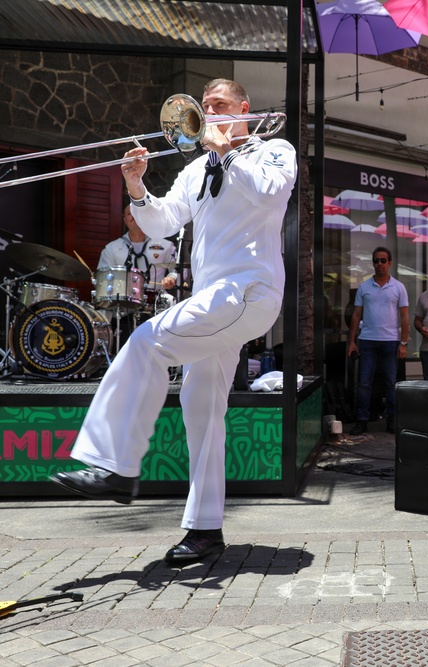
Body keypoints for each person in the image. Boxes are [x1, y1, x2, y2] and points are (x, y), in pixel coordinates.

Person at [50, 78, 296, 564]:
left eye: (220, 105)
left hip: (250, 289)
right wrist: (136, 183)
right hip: (215, 299)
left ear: (244, 109)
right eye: (205, 106)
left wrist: (226, 154)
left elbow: (270, 196)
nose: (210, 112)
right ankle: (205, 530)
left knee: (146, 341)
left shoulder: (274, 150)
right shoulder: (195, 168)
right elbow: (162, 222)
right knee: (200, 404)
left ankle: (112, 464)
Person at [347, 247, 409, 434]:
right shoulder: (364, 287)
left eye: (383, 260)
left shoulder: (398, 287)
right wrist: (351, 342)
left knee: (391, 383)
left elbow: (405, 317)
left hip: (390, 341)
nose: (379, 264)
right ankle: (362, 420)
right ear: (372, 263)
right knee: (364, 383)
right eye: (376, 261)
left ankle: (391, 420)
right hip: (367, 340)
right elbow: (356, 315)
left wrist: (404, 343)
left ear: (390, 263)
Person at [98, 206, 179, 293]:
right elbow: (103, 279)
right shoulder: (111, 249)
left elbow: (179, 270)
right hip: (123, 302)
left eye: (137, 212)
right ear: (125, 220)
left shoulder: (165, 245)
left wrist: (172, 278)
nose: (134, 216)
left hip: (157, 301)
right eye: (129, 213)